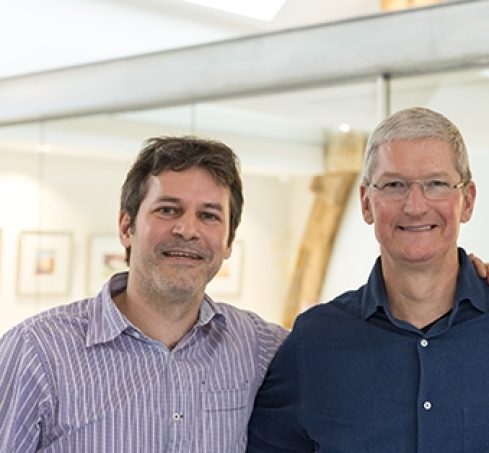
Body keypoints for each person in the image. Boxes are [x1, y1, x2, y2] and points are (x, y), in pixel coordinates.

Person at [247, 107, 489, 452]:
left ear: (467, 201)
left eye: (436, 184)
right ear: (366, 203)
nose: (415, 206)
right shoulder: (314, 341)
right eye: (394, 185)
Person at [0, 137, 288, 452]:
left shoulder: (261, 349)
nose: (187, 229)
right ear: (126, 227)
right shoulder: (36, 351)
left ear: (229, 241)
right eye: (168, 210)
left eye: (209, 216)